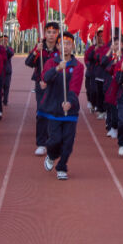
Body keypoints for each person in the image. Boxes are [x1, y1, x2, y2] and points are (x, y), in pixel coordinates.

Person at [39, 31, 84, 180]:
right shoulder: (51, 62)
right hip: (53, 109)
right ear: (58, 45)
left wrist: (70, 102)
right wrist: (57, 68)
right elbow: (45, 77)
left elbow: (75, 87)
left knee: (68, 142)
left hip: (70, 110)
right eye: (62, 43)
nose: (65, 46)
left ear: (73, 46)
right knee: (54, 139)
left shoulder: (78, 65)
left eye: (69, 43)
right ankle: (51, 155)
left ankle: (62, 166)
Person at [25, 21, 61, 155]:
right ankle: (41, 143)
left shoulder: (60, 49)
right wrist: (36, 52)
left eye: (54, 32)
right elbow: (28, 63)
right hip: (41, 84)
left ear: (58, 34)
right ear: (45, 33)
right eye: (49, 32)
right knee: (42, 112)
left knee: (55, 113)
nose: (51, 35)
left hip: (56, 85)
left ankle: (53, 140)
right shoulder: (39, 47)